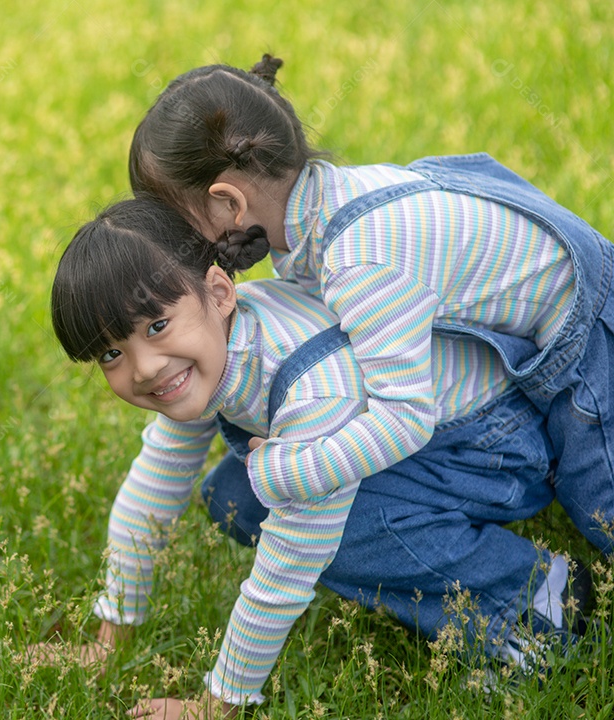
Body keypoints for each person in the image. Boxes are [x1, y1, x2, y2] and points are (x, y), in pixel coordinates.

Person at [43, 196, 583, 718]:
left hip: (492, 447)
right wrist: (112, 633)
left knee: (333, 533)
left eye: (157, 326)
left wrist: (219, 703)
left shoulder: (308, 385)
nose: (143, 367)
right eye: (112, 353)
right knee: (235, 496)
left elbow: (290, 563)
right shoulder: (212, 345)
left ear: (219, 292)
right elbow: (155, 483)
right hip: (420, 441)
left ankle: (536, 596)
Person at [127, 55, 614, 568]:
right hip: (530, 341)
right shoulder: (322, 209)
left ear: (230, 203)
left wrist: (294, 473)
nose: (176, 249)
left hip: (584, 335)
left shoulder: (359, 259)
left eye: (177, 225)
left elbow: (405, 417)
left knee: (601, 507)